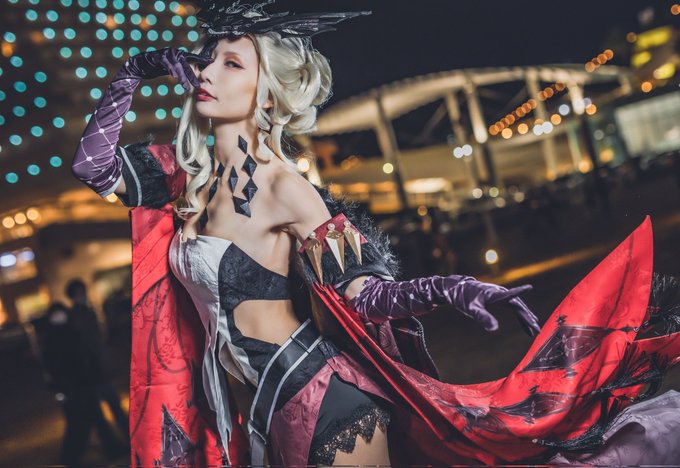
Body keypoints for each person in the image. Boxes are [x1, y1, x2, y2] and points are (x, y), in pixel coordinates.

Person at [71, 1, 680, 465]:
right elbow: (91, 167)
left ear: (268, 94)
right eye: (207, 58)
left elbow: (360, 293)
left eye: (232, 63)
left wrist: (452, 288)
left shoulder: (287, 188)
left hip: (324, 403)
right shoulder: (184, 180)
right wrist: (132, 72)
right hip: (252, 411)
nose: (207, 71)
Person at [40, 302, 126, 466]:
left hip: (85, 384)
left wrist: (94, 373)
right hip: (71, 389)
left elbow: (86, 355)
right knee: (78, 423)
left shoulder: (73, 333)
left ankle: (111, 449)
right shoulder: (51, 340)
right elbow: (52, 367)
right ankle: (71, 456)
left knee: (97, 419)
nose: (59, 317)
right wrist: (61, 388)